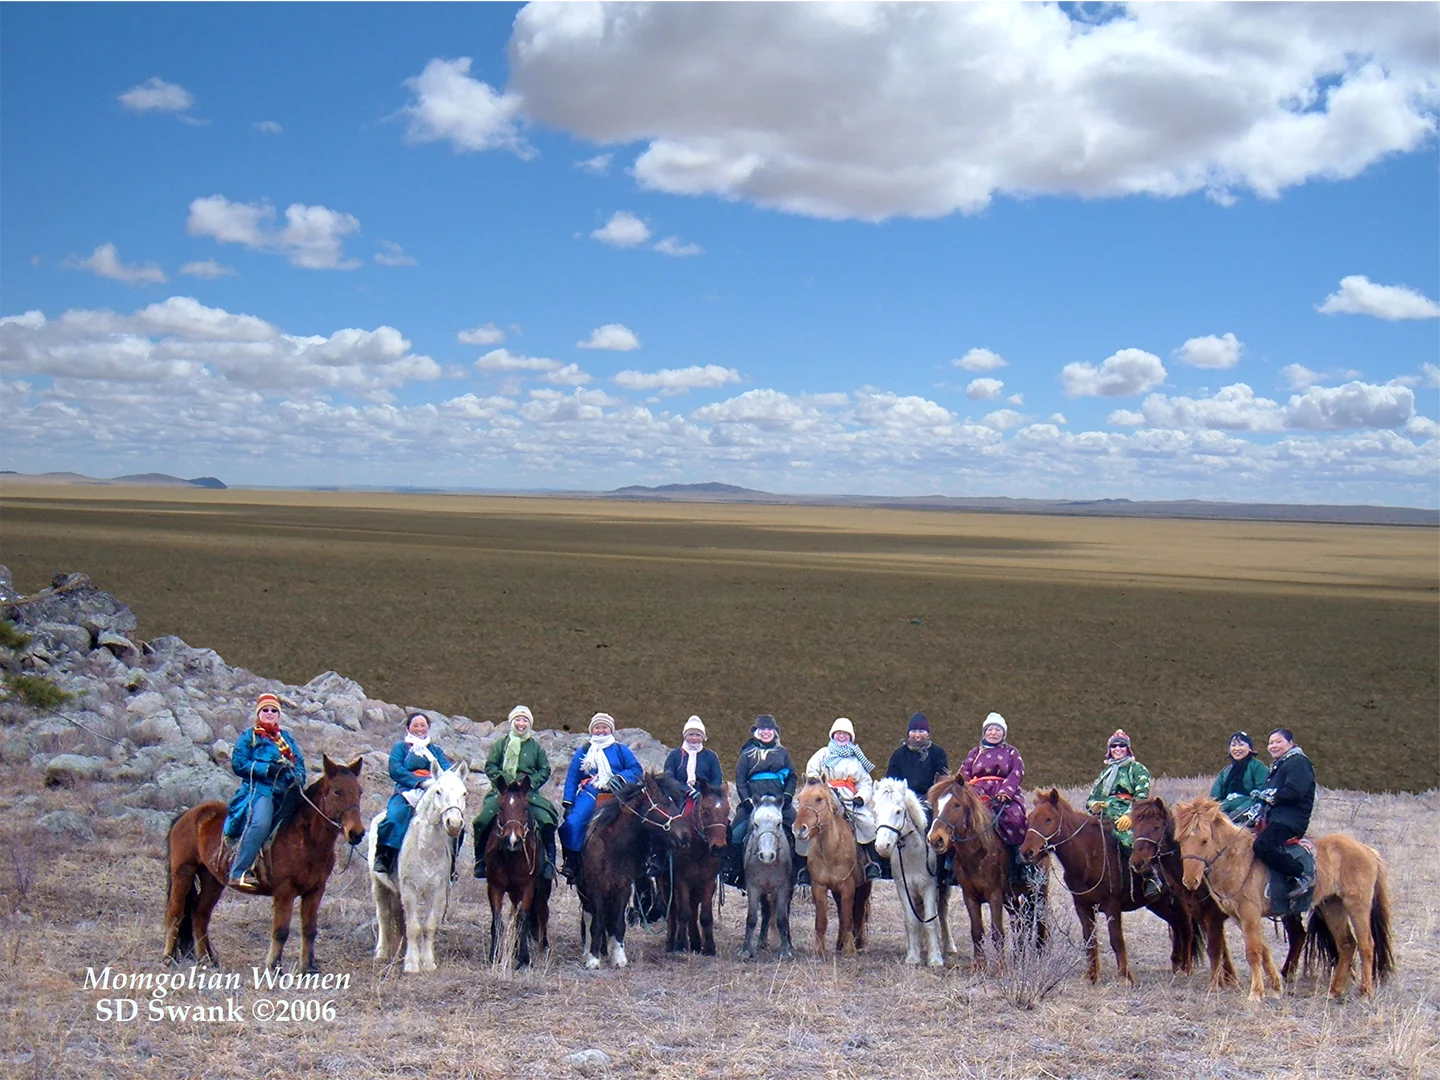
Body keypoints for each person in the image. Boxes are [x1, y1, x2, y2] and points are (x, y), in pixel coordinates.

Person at [224, 693, 307, 891]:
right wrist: (266, 769)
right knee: (261, 822)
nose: (269, 713)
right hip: (259, 790)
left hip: (286, 793)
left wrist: (296, 777)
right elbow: (238, 763)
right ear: (258, 713)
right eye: (265, 710)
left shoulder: (286, 738)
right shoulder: (249, 736)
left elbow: (300, 764)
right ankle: (239, 871)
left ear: (278, 715)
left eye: (274, 710)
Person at [473, 705, 559, 880]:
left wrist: (529, 783)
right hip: (502, 792)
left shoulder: (536, 747)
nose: (521, 723)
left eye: (525, 720)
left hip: (528, 793)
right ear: (512, 722)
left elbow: (544, 769)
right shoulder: (501, 745)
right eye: (518, 720)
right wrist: (504, 780)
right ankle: (480, 860)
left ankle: (549, 862)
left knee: (546, 820)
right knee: (482, 820)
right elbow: (490, 766)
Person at [558, 713, 643, 883]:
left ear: (610, 729)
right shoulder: (584, 750)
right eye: (597, 727)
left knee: (642, 824)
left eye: (604, 727)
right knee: (572, 824)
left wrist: (620, 778)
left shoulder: (620, 749)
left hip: (617, 794)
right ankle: (572, 861)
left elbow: (636, 769)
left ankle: (642, 865)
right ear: (592, 730)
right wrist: (568, 802)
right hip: (591, 793)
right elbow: (573, 776)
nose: (601, 730)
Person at [804, 718, 883, 883]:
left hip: (849, 797)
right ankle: (804, 865)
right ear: (833, 734)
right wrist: (820, 785)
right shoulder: (823, 753)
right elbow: (812, 770)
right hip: (825, 793)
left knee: (867, 822)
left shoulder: (856, 758)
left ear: (851, 737)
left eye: (845, 734)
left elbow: (865, 782)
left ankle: (872, 862)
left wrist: (861, 797)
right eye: (838, 733)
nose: (841, 736)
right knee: (808, 819)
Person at [374, 712, 454, 876]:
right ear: (408, 727)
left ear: (428, 728)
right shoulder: (401, 748)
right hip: (407, 791)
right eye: (415, 725)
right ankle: (385, 856)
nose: (419, 729)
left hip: (433, 792)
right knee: (394, 816)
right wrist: (418, 781)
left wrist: (439, 782)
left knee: (454, 822)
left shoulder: (435, 750)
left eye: (422, 725)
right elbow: (395, 768)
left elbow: (446, 770)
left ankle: (451, 865)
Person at [725, 714, 797, 889]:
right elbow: (740, 779)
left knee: (799, 831)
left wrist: (787, 796)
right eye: (762, 729)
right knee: (735, 834)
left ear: (774, 732)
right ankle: (735, 872)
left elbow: (792, 776)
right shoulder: (747, 754)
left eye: (769, 729)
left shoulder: (783, 753)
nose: (766, 732)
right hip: (753, 802)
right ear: (757, 731)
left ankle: (799, 871)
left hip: (779, 802)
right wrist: (747, 800)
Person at [957, 712, 1029, 883]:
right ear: (984, 732)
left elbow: (1016, 773)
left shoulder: (1012, 752)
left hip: (1004, 794)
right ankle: (952, 862)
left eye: (997, 730)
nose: (993, 733)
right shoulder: (975, 752)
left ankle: (1018, 856)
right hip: (977, 794)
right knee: (958, 820)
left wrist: (1005, 792)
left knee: (1015, 817)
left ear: (1003, 733)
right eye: (990, 729)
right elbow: (964, 773)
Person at [1086, 729, 1160, 895]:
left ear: (1127, 748)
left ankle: (1150, 877)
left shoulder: (1137, 769)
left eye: (1121, 745)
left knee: (1127, 839)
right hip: (1104, 814)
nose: (1117, 749)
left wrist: (1129, 815)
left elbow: (1141, 798)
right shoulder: (1105, 773)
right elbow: (1091, 798)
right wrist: (1095, 805)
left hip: (1128, 814)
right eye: (1114, 746)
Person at [1249, 727, 1317, 899]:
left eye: (1278, 741)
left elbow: (1296, 790)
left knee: (1262, 845)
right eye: (1271, 742)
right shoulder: (1279, 765)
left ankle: (1301, 875)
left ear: (1291, 742)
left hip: (1289, 820)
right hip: (1274, 818)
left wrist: (1272, 797)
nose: (1273, 746)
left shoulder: (1298, 762)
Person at [886, 712, 950, 805]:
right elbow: (891, 780)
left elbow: (942, 780)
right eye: (914, 731)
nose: (917, 735)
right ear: (908, 733)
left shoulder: (938, 753)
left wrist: (929, 798)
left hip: (929, 801)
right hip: (903, 801)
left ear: (928, 733)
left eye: (921, 731)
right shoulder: (899, 755)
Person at [1209, 731, 1268, 823]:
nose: (1237, 749)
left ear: (1250, 748)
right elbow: (1214, 795)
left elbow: (1262, 791)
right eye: (1233, 745)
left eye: (1241, 745)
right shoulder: (1226, 771)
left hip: (1248, 809)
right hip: (1225, 808)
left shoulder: (1258, 766)